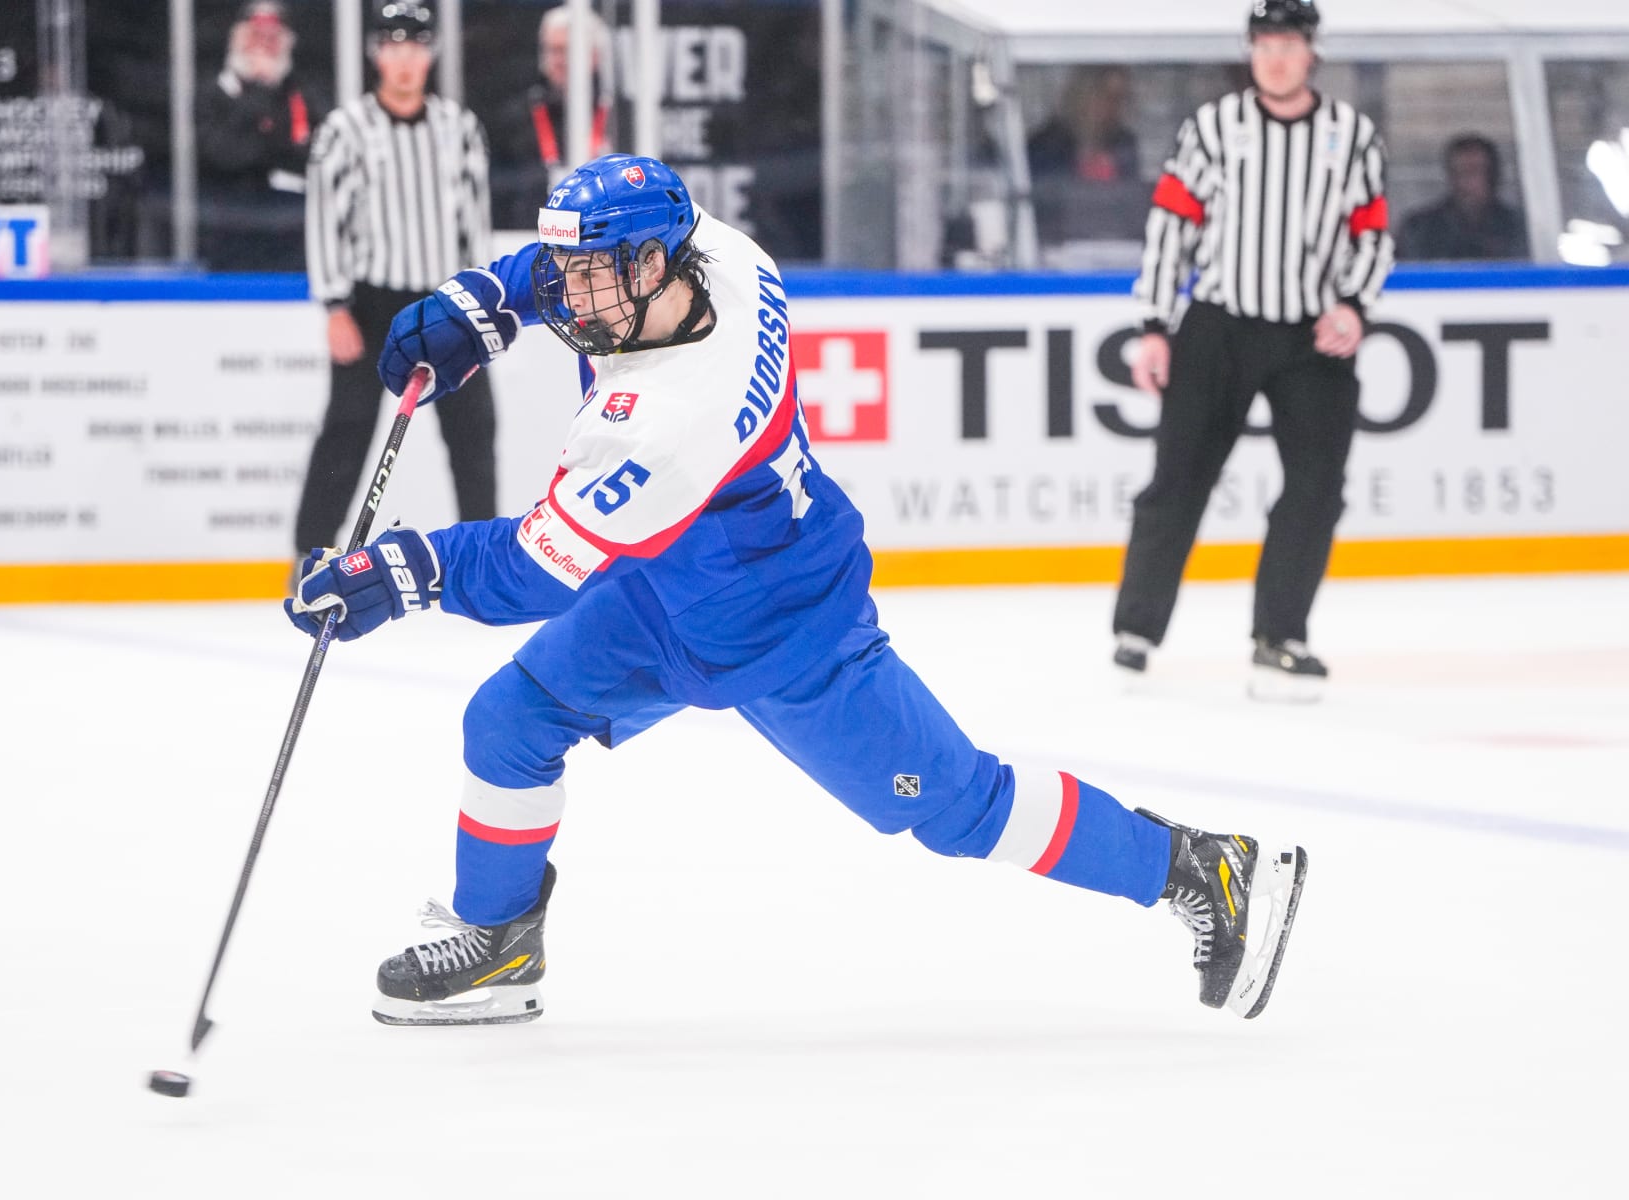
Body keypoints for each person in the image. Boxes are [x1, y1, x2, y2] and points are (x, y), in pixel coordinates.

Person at [279, 152, 1310, 1028]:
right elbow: (552, 278)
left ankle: (1195, 867)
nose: (569, 296)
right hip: (669, 583)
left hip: (785, 625)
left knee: (961, 807)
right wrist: (488, 304)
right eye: (564, 272)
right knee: (510, 718)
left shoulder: (669, 418)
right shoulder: (717, 254)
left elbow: (531, 569)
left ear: (650, 267)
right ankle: (500, 938)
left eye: (588, 278)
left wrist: (394, 573)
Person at [1113, 0, 1395, 701]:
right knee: (1178, 479)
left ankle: (1280, 636)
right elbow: (1170, 227)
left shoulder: (1350, 135)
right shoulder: (1214, 128)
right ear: (1249, 50)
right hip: (1220, 325)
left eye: (1289, 43)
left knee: (1317, 486)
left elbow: (1373, 233)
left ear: (1311, 53)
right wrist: (1154, 323)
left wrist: (1354, 305)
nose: (1275, 56)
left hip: (1311, 333)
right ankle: (1137, 630)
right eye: (1264, 42)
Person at [296, 0, 497, 574]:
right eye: (393, 46)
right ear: (375, 53)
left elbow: (473, 228)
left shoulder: (459, 129)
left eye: (415, 47)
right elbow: (325, 221)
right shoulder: (345, 130)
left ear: (430, 53)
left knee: (473, 429)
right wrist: (334, 305)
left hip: (446, 302)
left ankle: (478, 552)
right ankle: (312, 550)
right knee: (347, 428)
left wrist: (480, 311)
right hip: (373, 301)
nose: (404, 60)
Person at [196, 1, 324, 272]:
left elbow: (312, 157)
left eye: (273, 38)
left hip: (292, 227)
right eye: (255, 36)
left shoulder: (301, 95)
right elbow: (221, 156)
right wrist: (257, 96)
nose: (263, 46)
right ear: (237, 40)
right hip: (227, 226)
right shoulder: (212, 94)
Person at [493, 5, 613, 230]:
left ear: (595, 55)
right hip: (530, 237)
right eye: (553, 50)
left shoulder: (617, 117)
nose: (559, 60)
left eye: (568, 51)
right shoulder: (517, 117)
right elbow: (500, 186)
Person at [1026, 65, 1144, 245]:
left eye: (1120, 100)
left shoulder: (1124, 144)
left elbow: (1133, 206)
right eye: (1107, 98)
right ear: (1081, 96)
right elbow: (1038, 203)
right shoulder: (1044, 146)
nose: (1113, 108)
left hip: (1118, 246)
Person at [1396, 134, 1529, 262]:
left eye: (1474, 171)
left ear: (1493, 176)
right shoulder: (1421, 229)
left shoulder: (1516, 227)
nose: (1466, 182)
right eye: (1460, 172)